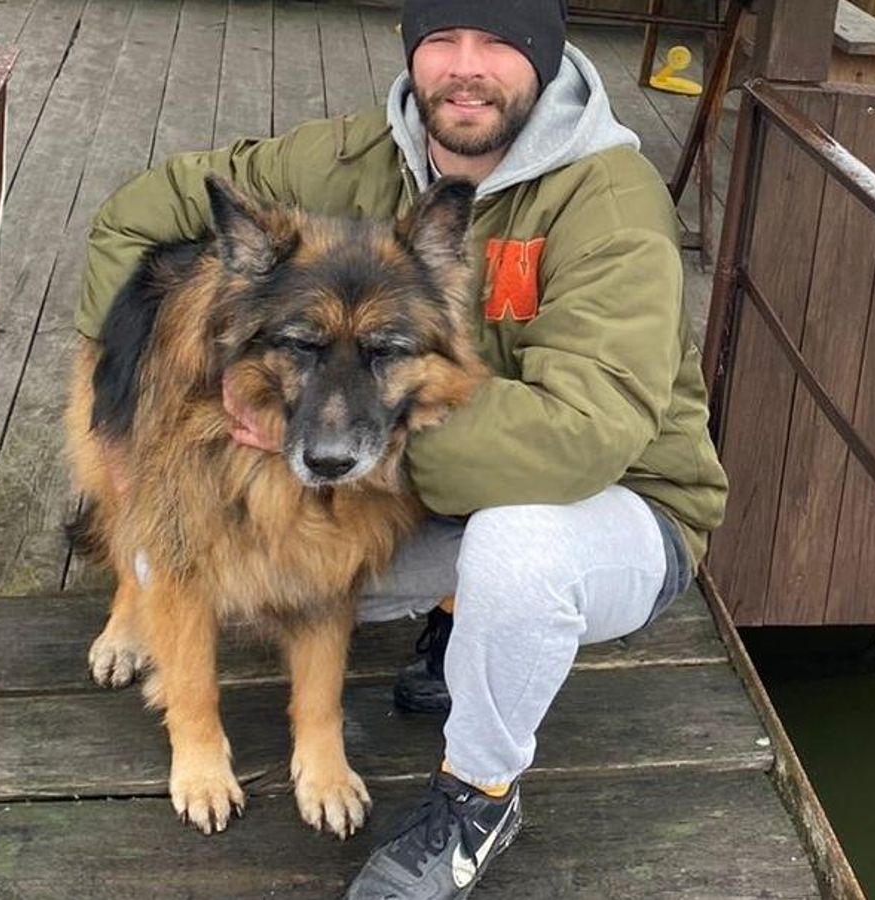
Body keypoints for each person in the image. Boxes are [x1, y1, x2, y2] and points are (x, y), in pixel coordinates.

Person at [75, 0, 728, 896]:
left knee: (514, 553)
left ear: (543, 58)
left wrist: (359, 453)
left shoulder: (612, 203)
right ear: (413, 55)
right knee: (257, 544)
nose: (467, 67)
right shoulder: (356, 155)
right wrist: (129, 391)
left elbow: (587, 435)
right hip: (437, 474)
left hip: (614, 502)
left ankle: (479, 796)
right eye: (443, 41)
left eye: (497, 42)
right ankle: (448, 626)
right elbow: (138, 214)